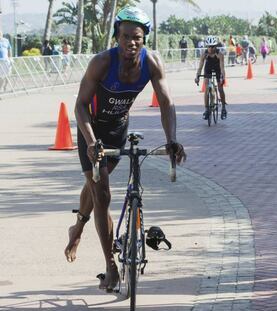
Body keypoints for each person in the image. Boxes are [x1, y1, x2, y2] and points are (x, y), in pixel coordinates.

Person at [64, 6, 186, 291]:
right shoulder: (102, 63)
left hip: (118, 128)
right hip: (92, 129)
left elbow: (166, 103)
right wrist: (92, 143)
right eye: (126, 37)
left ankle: (78, 225)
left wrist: (171, 139)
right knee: (102, 193)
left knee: (95, 188)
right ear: (117, 37)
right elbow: (80, 105)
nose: (131, 42)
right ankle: (110, 266)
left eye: (138, 37)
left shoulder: (152, 62)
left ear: (145, 39)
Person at [194, 35, 227, 120]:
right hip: (208, 67)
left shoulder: (219, 54)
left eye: (212, 46)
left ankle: (223, 107)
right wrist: (197, 76)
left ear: (215, 46)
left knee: (220, 88)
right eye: (209, 46)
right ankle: (206, 109)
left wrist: (222, 77)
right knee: (206, 88)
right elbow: (200, 67)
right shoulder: (204, 54)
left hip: (217, 68)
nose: (211, 48)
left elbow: (222, 68)